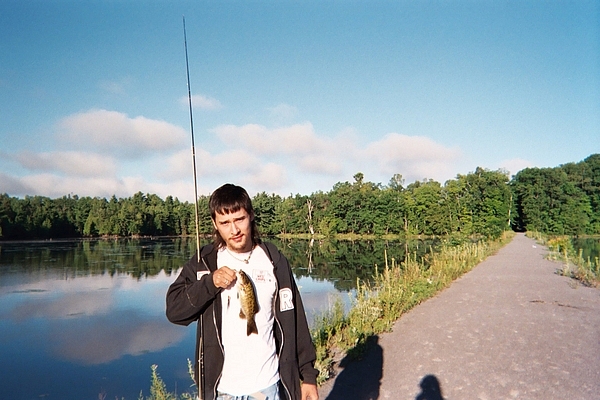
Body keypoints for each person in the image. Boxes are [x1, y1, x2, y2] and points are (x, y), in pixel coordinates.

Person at [166, 183, 319, 400]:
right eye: (225, 223)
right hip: (221, 390)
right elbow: (174, 311)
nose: (234, 230)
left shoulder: (274, 260)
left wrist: (308, 376)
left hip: (268, 386)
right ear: (215, 224)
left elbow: (296, 321)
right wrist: (210, 283)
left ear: (251, 215)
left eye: (239, 219)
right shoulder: (204, 263)